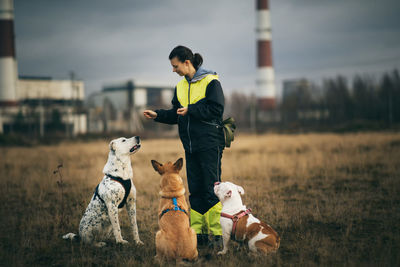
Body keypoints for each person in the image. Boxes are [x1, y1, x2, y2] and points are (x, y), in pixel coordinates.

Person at [143, 45, 225, 248]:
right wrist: (158, 115)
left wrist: (192, 110)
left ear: (187, 62)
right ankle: (198, 235)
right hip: (190, 146)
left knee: (211, 189)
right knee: (195, 191)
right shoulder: (180, 86)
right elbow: (176, 114)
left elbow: (216, 109)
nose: (173, 70)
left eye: (175, 66)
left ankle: (216, 235)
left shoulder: (211, 82)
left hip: (209, 144)